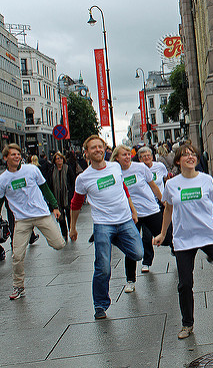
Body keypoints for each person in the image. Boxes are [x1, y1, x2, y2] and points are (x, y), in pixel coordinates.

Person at [153, 143, 213, 339]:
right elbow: (168, 210)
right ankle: (187, 324)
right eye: (186, 155)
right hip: (183, 239)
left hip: (207, 235)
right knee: (185, 284)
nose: (191, 157)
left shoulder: (206, 180)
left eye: (193, 154)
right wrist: (163, 234)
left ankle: (210, 254)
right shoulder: (172, 184)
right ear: (178, 161)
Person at [69, 135, 143, 320]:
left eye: (100, 146)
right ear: (86, 153)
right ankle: (100, 305)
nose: (97, 150)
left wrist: (133, 210)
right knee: (103, 267)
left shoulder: (115, 167)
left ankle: (115, 238)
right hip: (102, 224)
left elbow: (124, 189)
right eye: (93, 147)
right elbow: (76, 204)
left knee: (138, 253)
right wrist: (73, 227)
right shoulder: (83, 178)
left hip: (125, 220)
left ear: (104, 149)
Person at [0, 143, 65, 300]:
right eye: (12, 154)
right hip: (22, 220)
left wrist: (55, 206)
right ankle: (18, 286)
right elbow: (0, 199)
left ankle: (46, 233)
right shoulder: (3, 179)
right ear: (5, 158)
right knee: (17, 255)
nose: (16, 156)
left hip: (41, 214)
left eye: (18, 154)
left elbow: (45, 188)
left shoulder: (32, 170)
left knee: (59, 244)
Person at [111, 145, 163, 291]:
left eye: (129, 154)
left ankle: (179, 257)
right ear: (117, 158)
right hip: (130, 215)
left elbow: (153, 186)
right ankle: (130, 280)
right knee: (131, 247)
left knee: (166, 236)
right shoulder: (114, 172)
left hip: (150, 210)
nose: (127, 157)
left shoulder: (140, 168)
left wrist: (163, 200)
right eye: (123, 155)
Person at [138, 146, 173, 251]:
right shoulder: (138, 170)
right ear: (140, 159)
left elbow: (166, 179)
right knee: (147, 235)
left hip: (162, 201)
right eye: (144, 156)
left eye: (148, 155)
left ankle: (174, 248)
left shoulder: (160, 166)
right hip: (147, 204)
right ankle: (147, 262)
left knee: (168, 227)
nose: (147, 158)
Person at [47, 151, 75, 241]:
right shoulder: (52, 170)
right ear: (54, 161)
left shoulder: (67, 168)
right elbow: (49, 183)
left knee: (69, 215)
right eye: (57, 159)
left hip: (67, 196)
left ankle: (71, 231)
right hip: (56, 197)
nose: (59, 160)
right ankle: (64, 234)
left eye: (61, 158)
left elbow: (72, 180)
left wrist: (71, 192)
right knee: (61, 218)